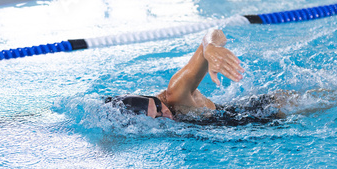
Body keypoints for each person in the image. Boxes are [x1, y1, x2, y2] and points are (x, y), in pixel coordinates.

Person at [107, 29, 287, 124]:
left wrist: (210, 48)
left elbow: (216, 32)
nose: (166, 114)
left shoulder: (176, 92)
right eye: (157, 117)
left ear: (152, 98)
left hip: (267, 110)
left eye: (159, 107)